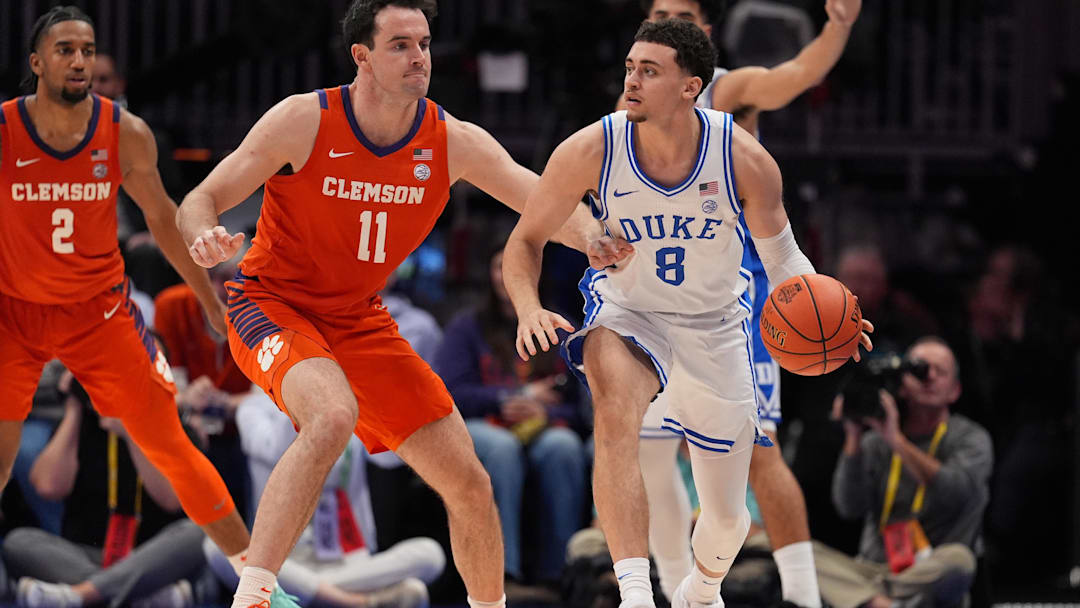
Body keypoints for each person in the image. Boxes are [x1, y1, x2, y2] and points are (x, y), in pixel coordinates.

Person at [175, 2, 598, 607]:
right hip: (271, 302)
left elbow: (541, 198)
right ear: (362, 56)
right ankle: (255, 597)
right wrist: (202, 235)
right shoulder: (304, 119)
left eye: (424, 44)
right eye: (400, 45)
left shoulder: (450, 139)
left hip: (357, 316)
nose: (418, 57)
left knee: (470, 483)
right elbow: (204, 194)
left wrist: (595, 238)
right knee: (331, 416)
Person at [503, 19, 872, 608]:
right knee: (615, 411)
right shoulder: (592, 148)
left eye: (649, 71)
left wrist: (827, 309)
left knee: (725, 521)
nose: (632, 81)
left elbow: (782, 260)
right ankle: (635, 594)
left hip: (716, 329)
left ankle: (700, 589)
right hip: (630, 314)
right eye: (629, 67)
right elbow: (524, 242)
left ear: (690, 87)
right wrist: (527, 307)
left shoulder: (744, 158)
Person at [0, 7, 282, 604]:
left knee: (170, 445)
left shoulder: (125, 132)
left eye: (87, 49)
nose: (78, 61)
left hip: (97, 313)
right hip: (14, 310)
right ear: (36, 62)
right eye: (64, 50)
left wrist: (210, 303)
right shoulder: (4, 130)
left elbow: (167, 223)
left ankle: (259, 591)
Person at [605, 1, 864, 605]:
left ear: (707, 28)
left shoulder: (732, 91)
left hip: (739, 299)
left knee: (760, 452)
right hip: (653, 302)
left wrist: (839, 27)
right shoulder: (627, 112)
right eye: (662, 12)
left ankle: (802, 596)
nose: (674, 20)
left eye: (685, 12)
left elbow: (798, 73)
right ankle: (672, 591)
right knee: (651, 458)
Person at [434, 244, 588, 593]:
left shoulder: (563, 327)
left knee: (564, 447)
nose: (507, 274)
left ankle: (560, 575)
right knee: (501, 450)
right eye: (499, 265)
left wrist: (545, 411)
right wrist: (508, 399)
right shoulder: (467, 328)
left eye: (517, 263)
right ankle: (503, 577)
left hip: (544, 428)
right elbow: (450, 394)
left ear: (536, 270)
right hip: (486, 424)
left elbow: (584, 409)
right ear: (489, 275)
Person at [203, 391, 446, 608]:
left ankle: (304, 596)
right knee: (216, 546)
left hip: (349, 558)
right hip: (282, 561)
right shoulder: (253, 409)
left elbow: (390, 459)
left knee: (431, 554)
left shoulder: (350, 405)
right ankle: (358, 602)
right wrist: (303, 399)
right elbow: (277, 450)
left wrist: (380, 397)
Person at [814, 336, 992, 608]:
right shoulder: (874, 442)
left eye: (939, 372)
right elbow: (848, 507)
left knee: (960, 560)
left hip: (929, 572)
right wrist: (853, 436)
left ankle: (870, 598)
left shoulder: (971, 438)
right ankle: (882, 601)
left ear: (955, 390)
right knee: (801, 553)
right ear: (903, 385)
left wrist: (896, 440)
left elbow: (954, 491)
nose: (928, 376)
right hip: (873, 567)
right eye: (919, 369)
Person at [5, 372, 205, 608]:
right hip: (87, 554)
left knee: (199, 534)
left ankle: (81, 595)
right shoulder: (82, 424)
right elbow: (47, 487)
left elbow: (172, 500)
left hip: (150, 556)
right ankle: (139, 596)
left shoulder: (175, 427)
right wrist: (74, 407)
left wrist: (133, 433)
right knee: (18, 541)